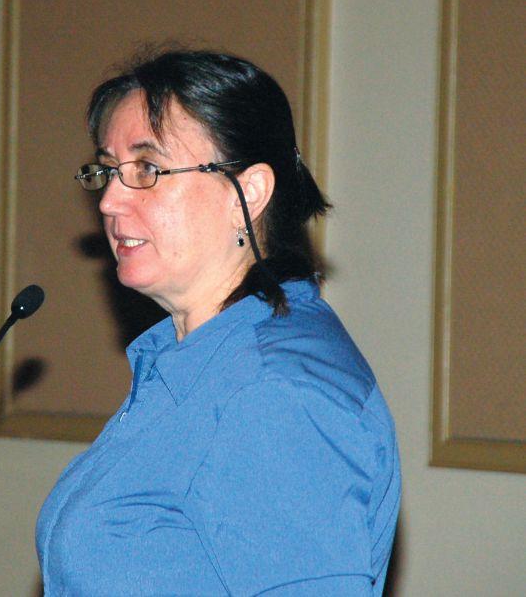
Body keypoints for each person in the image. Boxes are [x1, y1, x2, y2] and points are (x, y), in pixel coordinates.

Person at [36, 49, 401, 596]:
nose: (109, 201)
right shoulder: (197, 361)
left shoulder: (276, 392)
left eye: (147, 169)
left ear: (247, 193)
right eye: (108, 170)